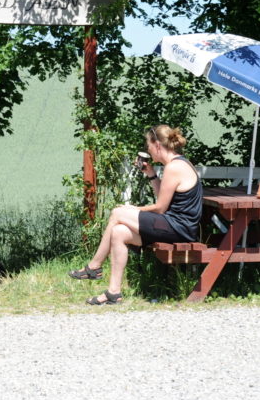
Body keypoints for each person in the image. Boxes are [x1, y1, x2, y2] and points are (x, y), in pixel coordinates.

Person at [68, 124, 202, 305]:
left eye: (148, 145)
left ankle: (94, 266)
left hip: (179, 228)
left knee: (117, 213)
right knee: (119, 232)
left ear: (156, 145)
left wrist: (133, 209)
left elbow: (161, 208)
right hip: (173, 224)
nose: (148, 150)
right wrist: (152, 175)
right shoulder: (178, 164)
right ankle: (113, 293)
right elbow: (165, 201)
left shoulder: (174, 167)